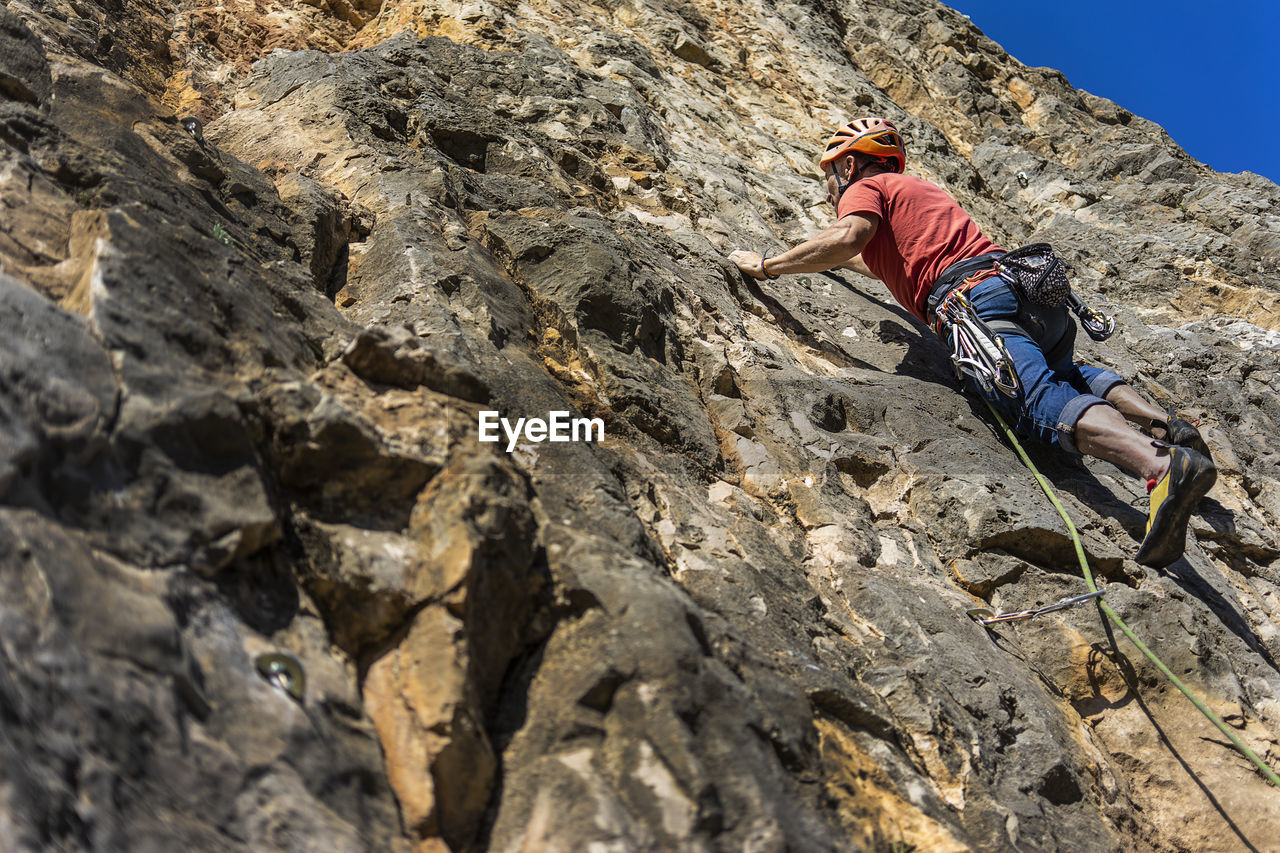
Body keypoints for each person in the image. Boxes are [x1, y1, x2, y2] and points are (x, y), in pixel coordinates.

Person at [729, 117, 1216, 568]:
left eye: (830, 175)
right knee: (1069, 376)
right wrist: (826, 261)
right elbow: (869, 259)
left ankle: (1160, 466)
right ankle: (1162, 425)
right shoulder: (917, 191)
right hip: (1030, 293)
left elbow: (848, 238)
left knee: (1036, 400)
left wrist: (769, 264)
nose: (831, 187)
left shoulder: (867, 187)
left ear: (849, 164)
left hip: (973, 302)